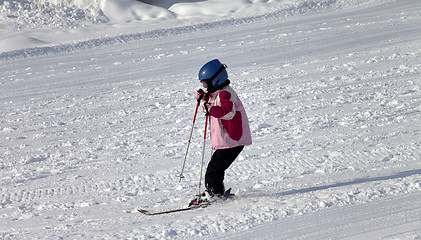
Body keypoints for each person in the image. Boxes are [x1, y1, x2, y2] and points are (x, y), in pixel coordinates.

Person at [190, 59, 252, 206]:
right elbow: (212, 105)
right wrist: (205, 98)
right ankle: (216, 191)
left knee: (213, 169)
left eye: (206, 83)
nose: (205, 87)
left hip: (232, 140)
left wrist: (211, 108)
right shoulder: (218, 92)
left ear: (216, 80)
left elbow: (228, 111)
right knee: (216, 168)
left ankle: (213, 194)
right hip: (229, 139)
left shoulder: (225, 94)